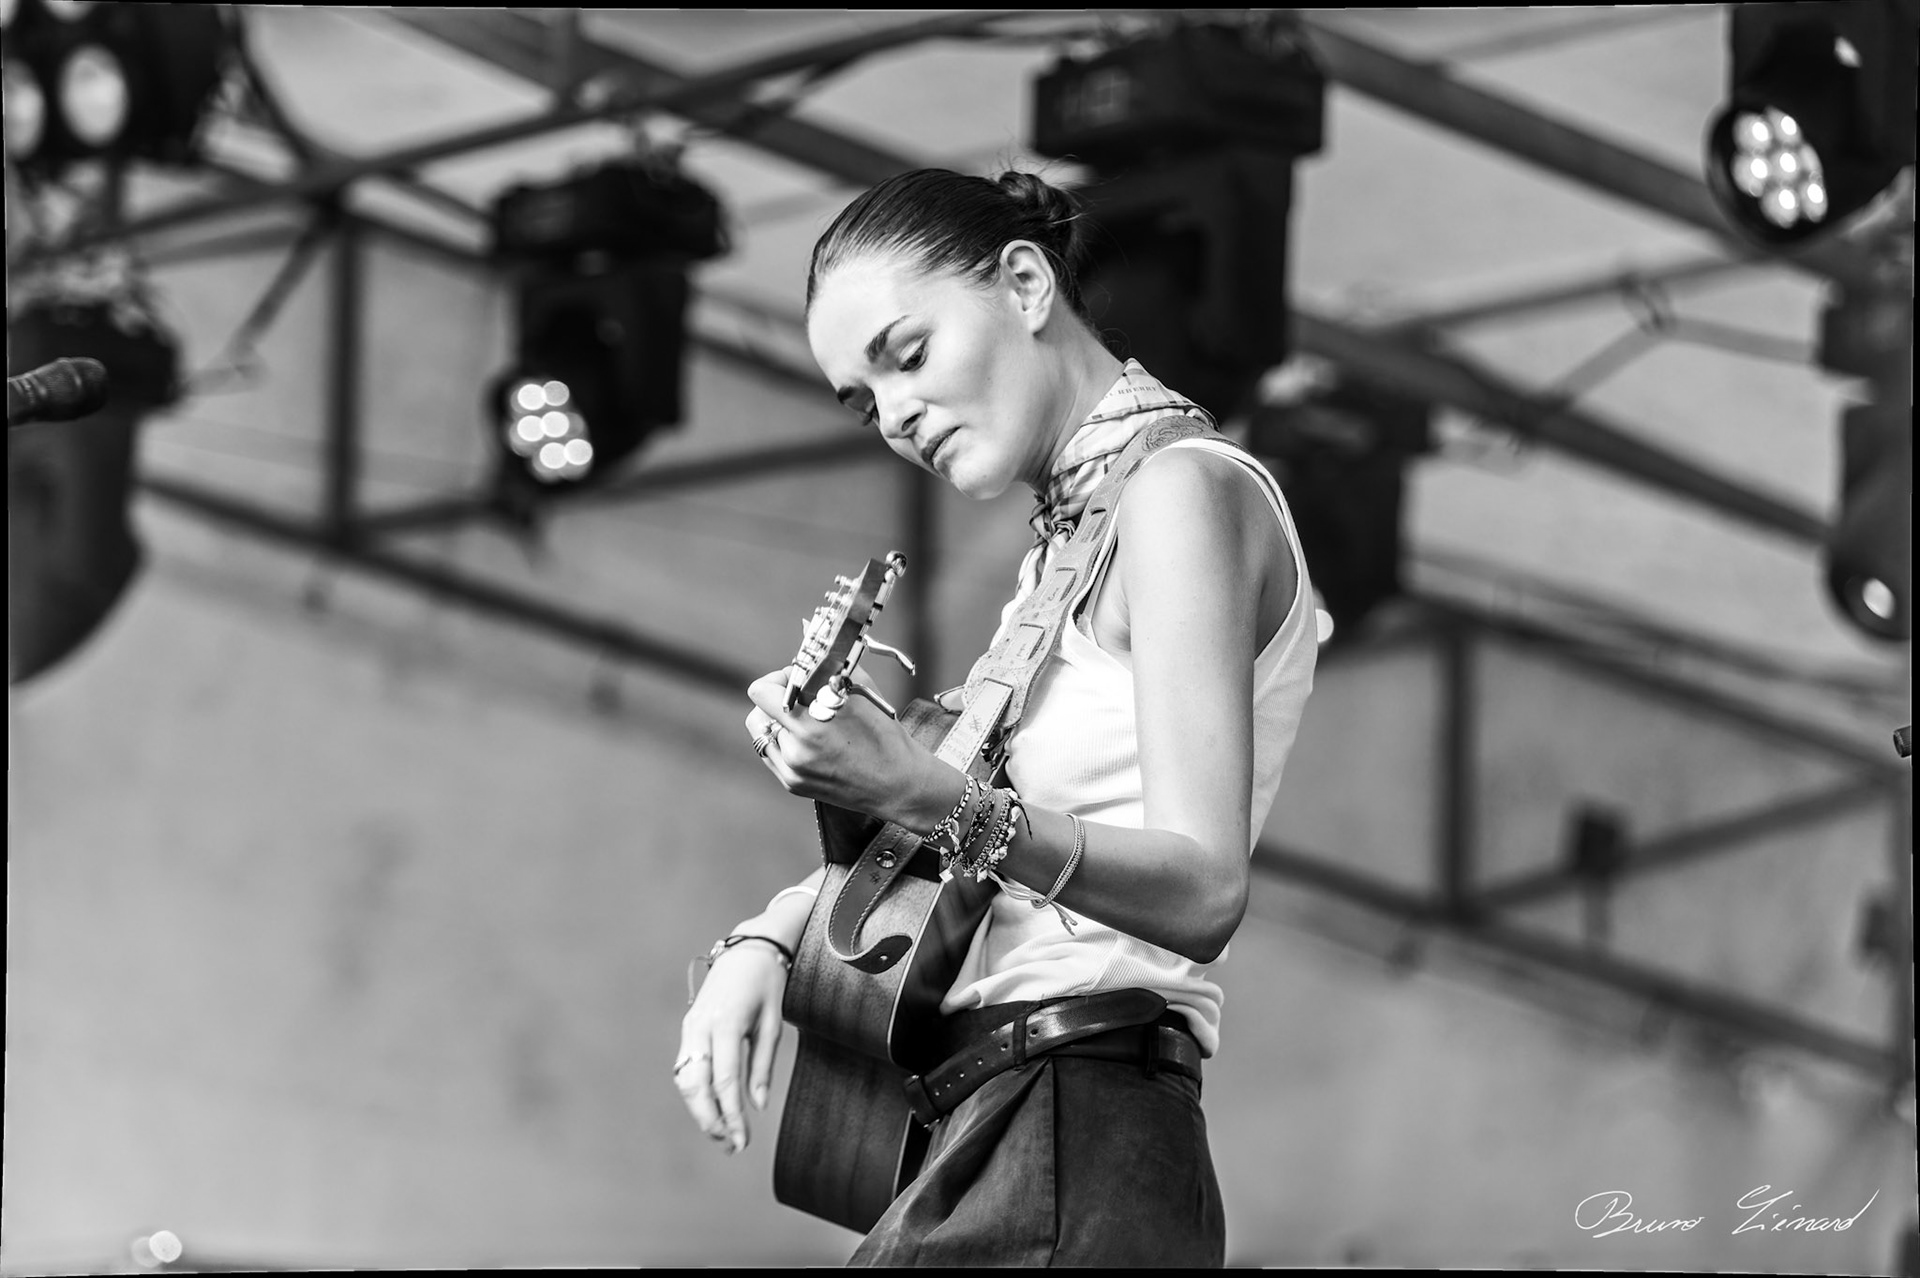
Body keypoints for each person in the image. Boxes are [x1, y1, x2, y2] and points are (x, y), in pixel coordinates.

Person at [674, 167, 1317, 1266]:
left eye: (908, 355)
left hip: (1076, 1121)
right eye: (863, 401)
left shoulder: (1180, 492)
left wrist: (919, 789)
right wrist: (773, 937)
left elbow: (1205, 889)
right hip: (1003, 1120)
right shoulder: (1069, 549)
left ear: (1025, 284)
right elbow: (965, 833)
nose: (895, 416)